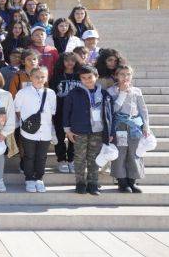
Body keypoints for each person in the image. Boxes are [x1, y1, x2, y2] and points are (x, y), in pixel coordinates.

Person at [63, 65, 114, 196]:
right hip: (79, 130)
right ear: (80, 79)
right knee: (80, 158)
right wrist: (67, 130)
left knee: (94, 158)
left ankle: (93, 183)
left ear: (96, 77)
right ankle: (80, 183)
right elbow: (66, 112)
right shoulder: (74, 93)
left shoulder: (104, 93)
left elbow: (110, 114)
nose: (87, 80)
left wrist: (110, 132)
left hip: (98, 131)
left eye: (90, 77)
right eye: (83, 78)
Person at [108, 65, 150, 193]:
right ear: (116, 75)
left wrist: (146, 125)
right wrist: (121, 93)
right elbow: (113, 110)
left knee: (135, 153)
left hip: (134, 126)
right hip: (119, 126)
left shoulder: (136, 91)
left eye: (128, 74)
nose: (125, 77)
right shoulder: (112, 91)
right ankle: (122, 182)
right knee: (120, 153)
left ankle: (132, 181)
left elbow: (143, 109)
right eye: (122, 74)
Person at [14, 66, 56, 193]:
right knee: (29, 156)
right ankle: (29, 179)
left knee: (42, 156)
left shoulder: (51, 93)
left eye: (42, 76)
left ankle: (39, 178)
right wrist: (26, 123)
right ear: (30, 77)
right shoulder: (23, 93)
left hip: (46, 131)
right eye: (36, 76)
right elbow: (17, 109)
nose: (39, 79)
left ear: (46, 78)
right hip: (28, 131)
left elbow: (52, 112)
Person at [50, 52, 82, 173]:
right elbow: (52, 95)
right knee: (60, 136)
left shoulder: (80, 76)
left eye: (72, 60)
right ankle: (61, 159)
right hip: (60, 111)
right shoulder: (56, 76)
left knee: (74, 136)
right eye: (67, 60)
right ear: (62, 62)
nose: (70, 63)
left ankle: (71, 160)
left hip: (75, 112)